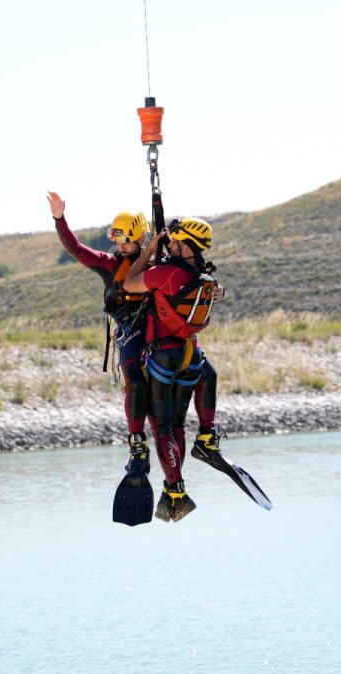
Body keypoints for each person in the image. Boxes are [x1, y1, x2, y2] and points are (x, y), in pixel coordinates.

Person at [47, 192, 154, 493]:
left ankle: (207, 433)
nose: (121, 247)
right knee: (134, 380)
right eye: (118, 241)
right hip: (131, 330)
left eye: (127, 242)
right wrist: (60, 219)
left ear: (142, 239)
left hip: (159, 325)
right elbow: (76, 249)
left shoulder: (158, 259)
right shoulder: (109, 264)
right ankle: (137, 445)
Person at [122, 217, 220, 522]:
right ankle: (206, 437)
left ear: (185, 244)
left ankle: (175, 490)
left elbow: (129, 283)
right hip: (193, 357)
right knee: (180, 420)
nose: (170, 244)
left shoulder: (163, 274)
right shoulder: (205, 275)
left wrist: (150, 248)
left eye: (174, 241)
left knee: (165, 427)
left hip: (163, 358)